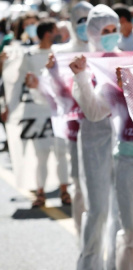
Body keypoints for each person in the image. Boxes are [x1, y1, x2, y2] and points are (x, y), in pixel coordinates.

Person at [74, 9, 133, 270]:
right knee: (131, 235)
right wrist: (82, 77)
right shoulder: (123, 70)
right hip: (131, 162)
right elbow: (95, 111)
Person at [69, 4, 120, 269]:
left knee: (121, 215)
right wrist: (80, 76)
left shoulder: (127, 60)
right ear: (91, 32)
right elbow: (92, 110)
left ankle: (115, 264)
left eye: (114, 30)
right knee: (98, 210)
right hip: (94, 142)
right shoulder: (81, 64)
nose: (110, 35)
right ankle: (89, 265)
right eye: (104, 31)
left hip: (125, 144)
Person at [10, 18, 70, 208]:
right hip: (37, 112)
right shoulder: (29, 56)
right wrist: (9, 108)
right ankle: (41, 192)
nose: (58, 34)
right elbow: (18, 81)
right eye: (55, 31)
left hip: (57, 112)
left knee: (61, 152)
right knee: (42, 154)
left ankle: (64, 190)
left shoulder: (60, 54)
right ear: (48, 34)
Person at [49, 0, 93, 236]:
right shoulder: (61, 54)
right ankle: (82, 237)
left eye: (90, 20)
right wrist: (50, 75)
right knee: (79, 185)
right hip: (77, 129)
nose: (85, 26)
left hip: (108, 131)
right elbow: (52, 93)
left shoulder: (108, 53)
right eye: (80, 21)